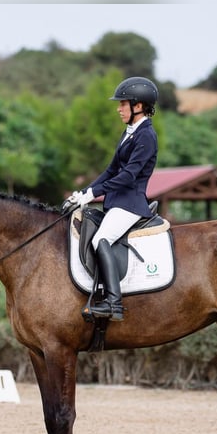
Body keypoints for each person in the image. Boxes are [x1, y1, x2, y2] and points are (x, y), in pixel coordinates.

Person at [65, 76, 159, 321]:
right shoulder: (129, 132)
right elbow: (111, 170)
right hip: (117, 201)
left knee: (101, 239)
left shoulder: (146, 136)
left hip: (131, 202)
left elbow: (129, 176)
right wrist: (84, 193)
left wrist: (95, 193)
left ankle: (113, 304)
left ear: (138, 106)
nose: (119, 108)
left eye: (123, 104)